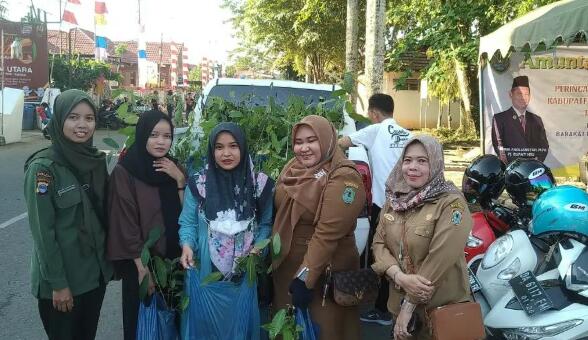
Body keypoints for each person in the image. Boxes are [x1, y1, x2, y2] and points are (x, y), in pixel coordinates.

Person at [23, 89, 113, 340]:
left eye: (89, 118)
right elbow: (43, 235)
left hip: (93, 279)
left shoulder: (94, 161)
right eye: (73, 117)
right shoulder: (43, 168)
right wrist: (59, 284)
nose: (82, 125)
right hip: (63, 285)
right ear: (59, 119)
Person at [273, 115, 366, 340]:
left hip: (323, 274)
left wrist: (305, 279)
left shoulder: (344, 176)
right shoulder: (293, 168)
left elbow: (327, 234)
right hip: (288, 269)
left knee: (323, 330)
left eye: (312, 140)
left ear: (327, 139)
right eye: (298, 141)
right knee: (289, 330)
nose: (303, 148)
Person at [178, 122, 274, 339]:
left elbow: (266, 224)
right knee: (207, 326)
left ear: (243, 147)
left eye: (233, 146)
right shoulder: (199, 184)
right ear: (212, 151)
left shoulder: (259, 184)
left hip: (245, 272)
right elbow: (189, 222)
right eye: (219, 147)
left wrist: (258, 250)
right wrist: (186, 245)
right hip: (206, 268)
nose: (226, 153)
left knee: (240, 325)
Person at [372, 135, 472, 340]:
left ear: (435, 164)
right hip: (399, 309)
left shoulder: (451, 204)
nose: (412, 167)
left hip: (441, 310)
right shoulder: (394, 201)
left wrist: (410, 304)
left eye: (422, 161)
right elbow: (378, 243)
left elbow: (441, 257)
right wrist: (399, 277)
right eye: (407, 160)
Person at [106, 110, 186, 340]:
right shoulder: (126, 171)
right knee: (144, 326)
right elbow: (125, 223)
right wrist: (143, 270)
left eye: (167, 136)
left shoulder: (174, 167)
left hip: (176, 265)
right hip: (143, 266)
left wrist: (180, 180)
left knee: (173, 326)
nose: (161, 142)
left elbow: (188, 215)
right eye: (154, 135)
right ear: (142, 135)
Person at [338, 93, 411, 325]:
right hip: (410, 205)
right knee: (402, 256)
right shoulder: (408, 135)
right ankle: (399, 305)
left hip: (385, 207)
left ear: (373, 113)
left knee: (381, 256)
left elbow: (342, 143)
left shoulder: (376, 130)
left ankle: (381, 310)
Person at [491, 75, 549, 163]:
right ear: (511, 94)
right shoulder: (500, 119)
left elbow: (544, 145)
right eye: (519, 93)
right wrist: (513, 166)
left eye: (526, 94)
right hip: (511, 170)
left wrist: (536, 162)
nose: (523, 97)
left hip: (533, 169)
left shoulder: (536, 119)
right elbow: (499, 147)